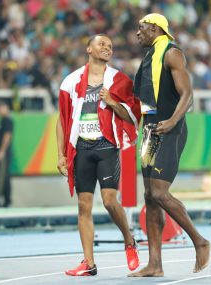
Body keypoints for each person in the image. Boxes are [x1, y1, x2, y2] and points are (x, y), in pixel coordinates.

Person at [129, 13, 210, 277]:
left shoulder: (171, 53)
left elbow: (187, 94)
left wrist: (172, 121)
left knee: (160, 193)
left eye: (141, 28)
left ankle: (199, 241)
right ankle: (155, 265)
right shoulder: (149, 57)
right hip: (151, 133)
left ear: (154, 28)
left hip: (170, 130)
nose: (137, 32)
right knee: (150, 198)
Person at [56, 34, 141, 276]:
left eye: (110, 46)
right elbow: (61, 121)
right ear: (89, 49)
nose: (107, 47)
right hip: (82, 148)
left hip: (106, 147)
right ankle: (89, 263)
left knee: (109, 201)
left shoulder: (119, 80)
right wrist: (61, 154)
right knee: (84, 206)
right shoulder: (70, 82)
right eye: (102, 43)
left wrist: (113, 102)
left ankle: (129, 240)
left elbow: (134, 117)